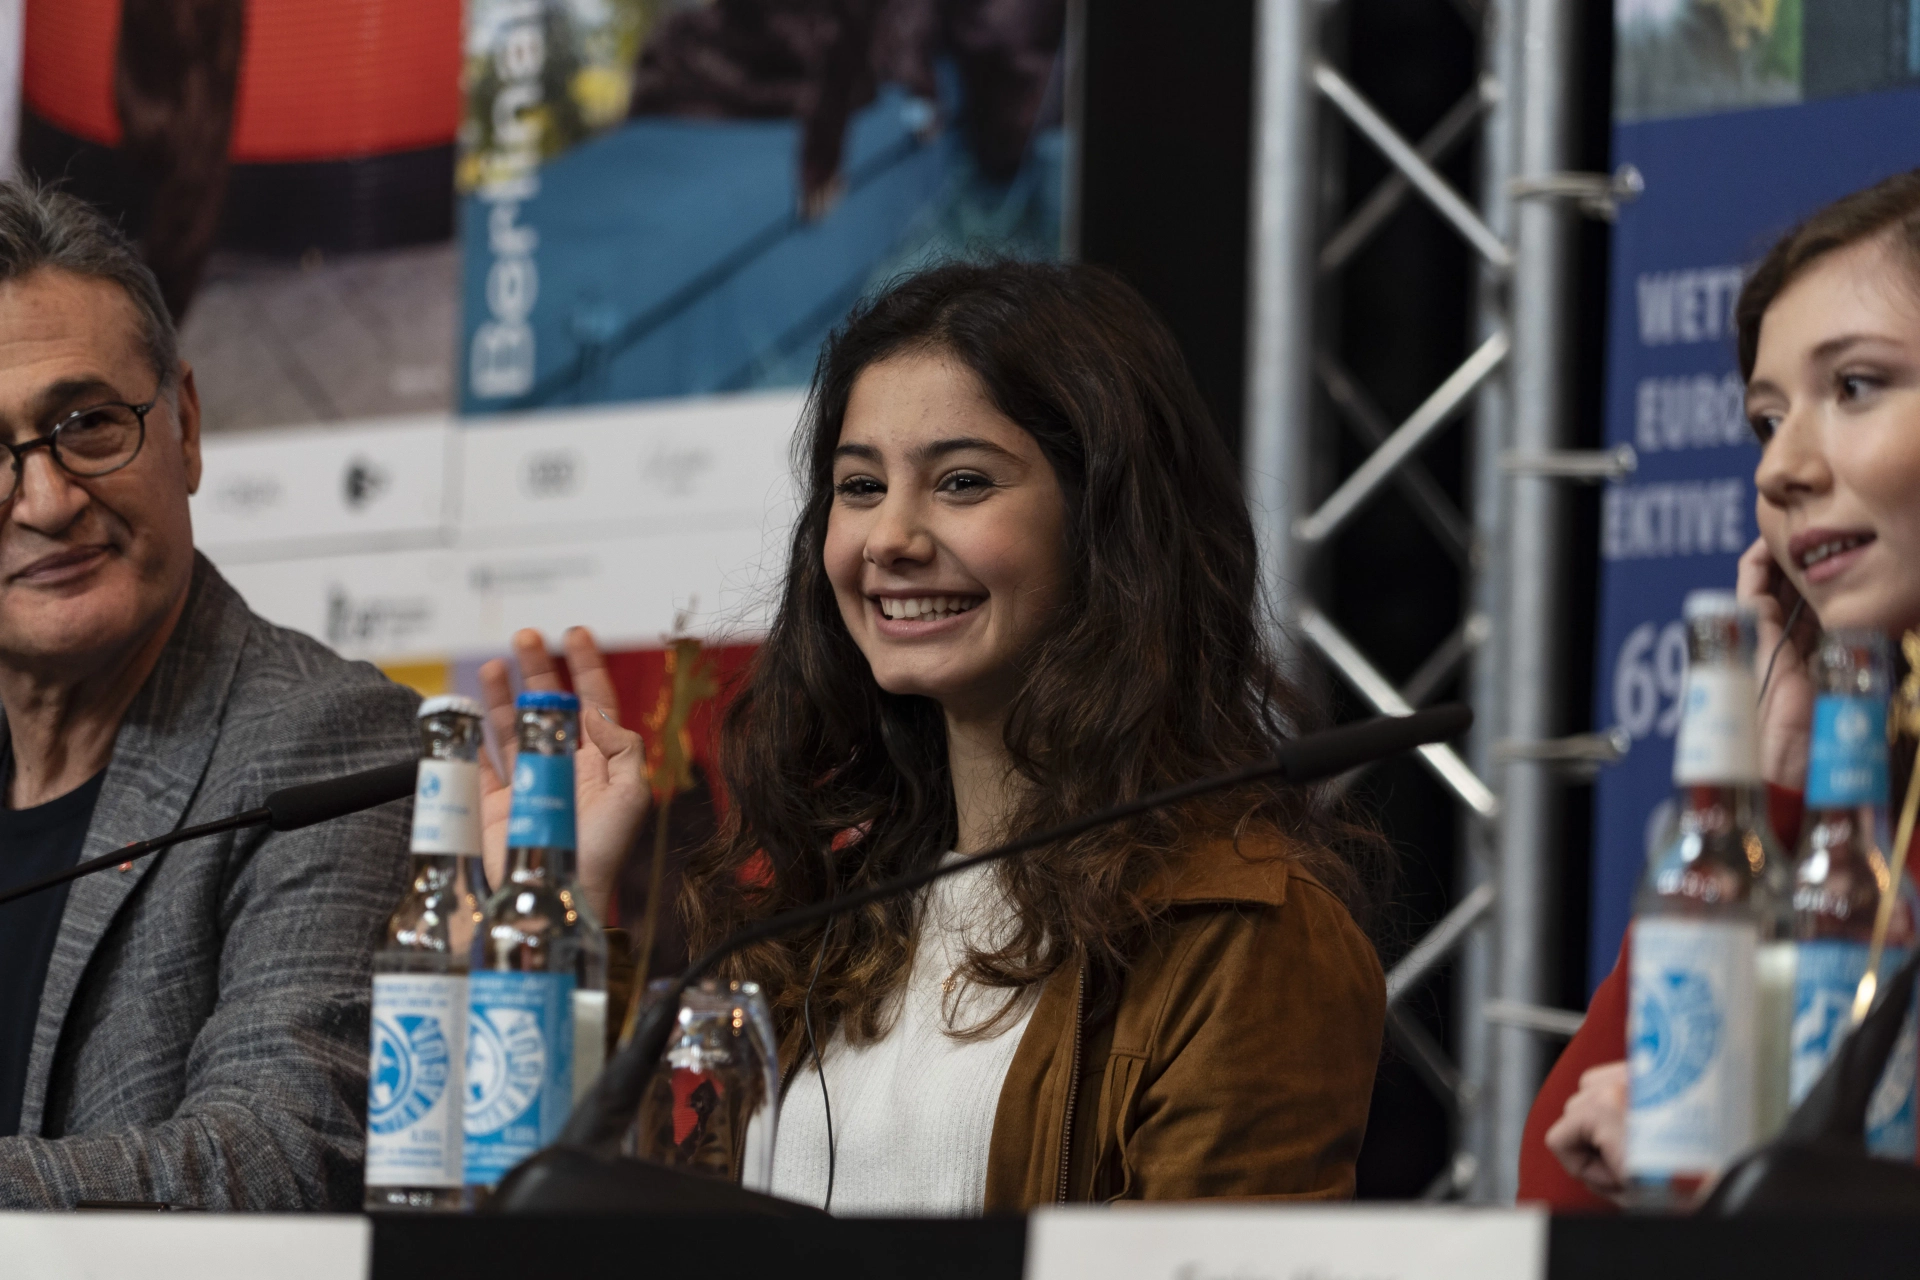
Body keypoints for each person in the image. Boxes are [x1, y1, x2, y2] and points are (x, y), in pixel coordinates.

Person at [677, 260, 1389, 1213]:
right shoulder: (823, 916)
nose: (889, 535)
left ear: (1106, 525)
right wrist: (583, 901)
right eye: (859, 485)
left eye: (962, 482)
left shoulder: (1241, 932)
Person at [0, 177, 652, 1209]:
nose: (43, 496)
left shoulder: (329, 747)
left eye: (86, 423)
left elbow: (275, 1159)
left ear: (190, 425)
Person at [1524, 169, 1920, 1208]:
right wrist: (1771, 789)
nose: (1780, 469)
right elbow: (1558, 1182)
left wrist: (1739, 1174)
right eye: (1765, 418)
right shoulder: (1861, 793)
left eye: (1857, 386)